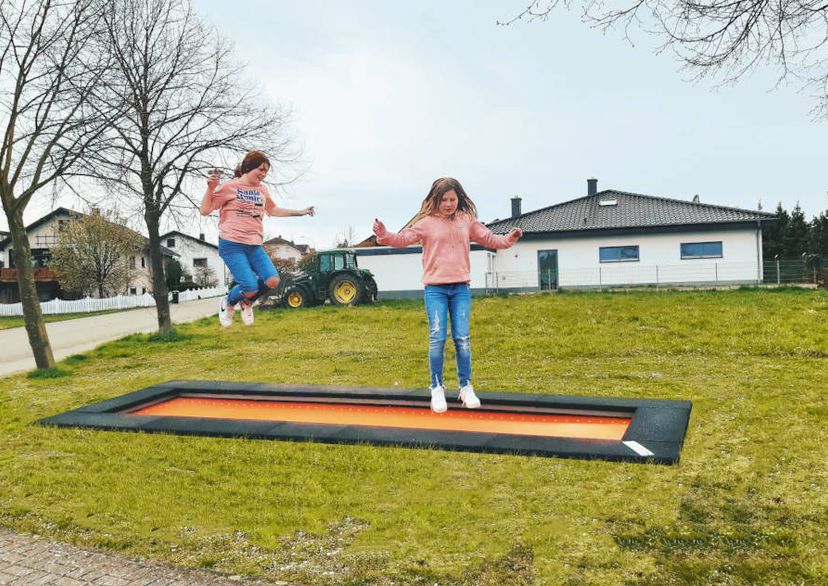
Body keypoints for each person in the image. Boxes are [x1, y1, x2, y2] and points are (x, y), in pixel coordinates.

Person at [372, 177, 522, 413]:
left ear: (459, 199)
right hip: (436, 290)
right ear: (435, 200)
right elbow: (402, 239)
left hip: (460, 288)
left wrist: (509, 240)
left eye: (452, 199)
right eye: (444, 200)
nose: (449, 204)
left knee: (462, 339)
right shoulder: (427, 223)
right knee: (437, 338)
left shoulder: (467, 221)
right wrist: (384, 234)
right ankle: (437, 387)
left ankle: (465, 386)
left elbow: (489, 238)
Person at [200, 150, 314, 327]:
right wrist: (210, 189)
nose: (263, 174)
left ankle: (247, 302)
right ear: (248, 167)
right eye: (260, 170)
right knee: (250, 287)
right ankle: (229, 301)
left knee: (272, 280)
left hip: (254, 244)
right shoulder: (230, 187)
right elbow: (205, 210)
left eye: (266, 172)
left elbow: (273, 210)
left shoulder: (262, 190)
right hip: (232, 244)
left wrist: (300, 212)